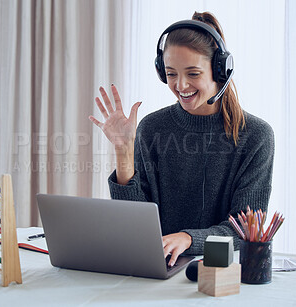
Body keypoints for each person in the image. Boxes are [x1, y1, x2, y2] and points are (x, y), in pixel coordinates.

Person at [89, 11, 274, 267]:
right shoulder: (152, 128)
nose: (181, 85)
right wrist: (123, 151)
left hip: (220, 274)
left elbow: (244, 231)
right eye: (171, 73)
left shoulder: (256, 136)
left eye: (193, 73)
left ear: (221, 71)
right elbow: (135, 223)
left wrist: (188, 239)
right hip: (158, 269)